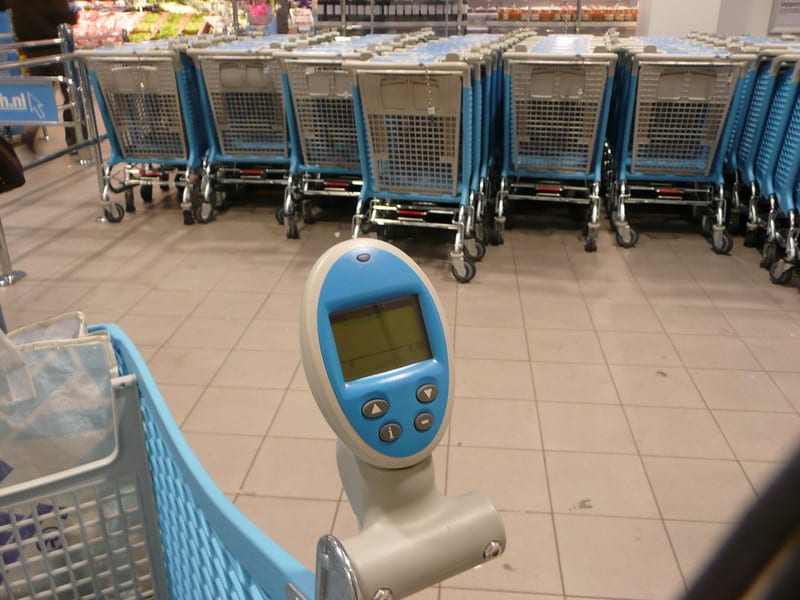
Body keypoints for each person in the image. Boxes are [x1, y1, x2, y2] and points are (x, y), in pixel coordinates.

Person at [6, 0, 79, 153]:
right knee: (71, 92)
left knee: (40, 96)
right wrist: (73, 15)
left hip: (31, 50)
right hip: (55, 48)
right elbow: (62, 14)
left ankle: (30, 129)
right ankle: (74, 141)